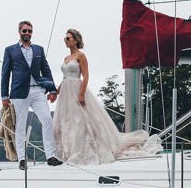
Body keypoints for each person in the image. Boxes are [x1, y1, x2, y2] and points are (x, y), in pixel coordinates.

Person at [53, 29, 162, 164]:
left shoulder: (80, 56)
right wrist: (56, 92)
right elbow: (65, 78)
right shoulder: (66, 58)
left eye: (68, 38)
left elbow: (86, 75)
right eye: (65, 38)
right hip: (65, 92)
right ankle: (67, 152)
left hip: (76, 89)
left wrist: (81, 94)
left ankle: (83, 151)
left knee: (81, 121)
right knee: (67, 122)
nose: (66, 40)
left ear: (75, 40)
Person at [1, 20, 63, 170]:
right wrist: (4, 96)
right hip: (18, 92)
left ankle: (51, 156)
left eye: (29, 31)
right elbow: (5, 74)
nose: (27, 33)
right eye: (25, 31)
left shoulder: (39, 50)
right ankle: (22, 159)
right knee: (20, 125)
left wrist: (53, 90)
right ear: (19, 32)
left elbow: (46, 71)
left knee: (47, 119)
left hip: (38, 90)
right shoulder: (10, 50)